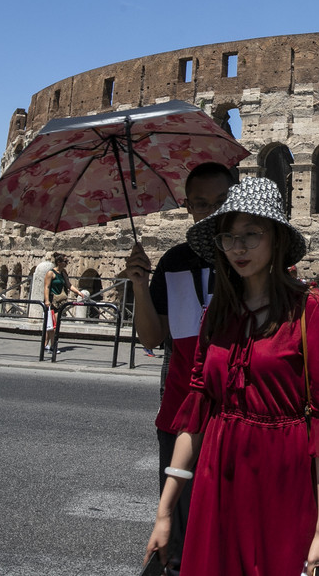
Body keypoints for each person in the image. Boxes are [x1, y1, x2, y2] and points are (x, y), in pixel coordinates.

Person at [144, 177, 319, 576]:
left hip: (282, 473)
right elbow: (198, 412)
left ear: (276, 238)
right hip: (216, 473)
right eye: (228, 237)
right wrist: (165, 510)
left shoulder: (312, 310)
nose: (238, 247)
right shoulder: (218, 312)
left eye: (251, 235)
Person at [121, 162, 235, 575]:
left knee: (228, 522)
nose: (210, 211)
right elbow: (153, 339)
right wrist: (138, 285)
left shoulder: (247, 259)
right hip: (179, 410)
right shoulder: (173, 263)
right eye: (201, 203)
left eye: (221, 202)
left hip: (235, 414)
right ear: (188, 207)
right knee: (180, 528)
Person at [42, 252, 79, 351]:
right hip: (51, 301)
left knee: (52, 325)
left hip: (59, 302)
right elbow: (47, 287)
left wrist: (79, 293)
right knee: (52, 325)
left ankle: (45, 344)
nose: (67, 263)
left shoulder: (63, 273)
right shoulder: (50, 273)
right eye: (65, 261)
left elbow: (69, 285)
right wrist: (46, 300)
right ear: (59, 262)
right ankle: (53, 346)